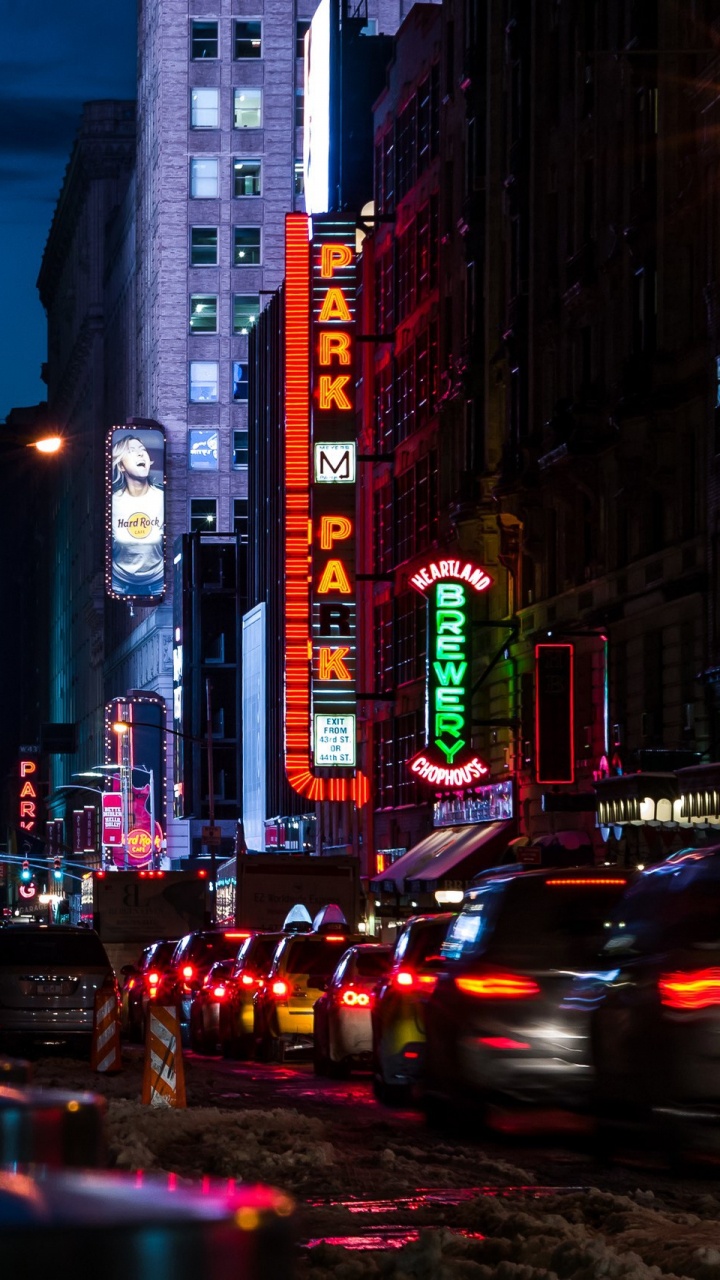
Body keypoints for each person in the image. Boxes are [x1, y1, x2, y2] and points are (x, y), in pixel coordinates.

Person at [110, 433, 164, 597]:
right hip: (119, 582)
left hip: (158, 580)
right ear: (121, 466)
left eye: (142, 449)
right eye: (132, 451)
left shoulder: (162, 498)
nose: (140, 453)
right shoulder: (112, 503)